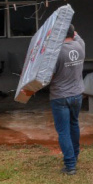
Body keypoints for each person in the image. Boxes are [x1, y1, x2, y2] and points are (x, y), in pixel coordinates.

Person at [24, 24, 86, 175]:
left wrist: (29, 87)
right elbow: (75, 33)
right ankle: (75, 156)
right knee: (74, 125)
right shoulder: (80, 45)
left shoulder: (55, 53)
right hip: (77, 95)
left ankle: (70, 166)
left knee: (63, 131)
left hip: (60, 97)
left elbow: (47, 78)